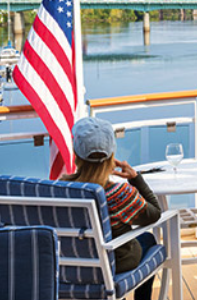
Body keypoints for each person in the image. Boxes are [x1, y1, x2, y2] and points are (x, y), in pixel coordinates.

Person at [61, 117, 161, 300]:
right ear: (111, 155)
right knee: (148, 238)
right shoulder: (119, 194)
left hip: (72, 266)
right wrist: (135, 178)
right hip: (112, 264)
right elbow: (154, 213)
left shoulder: (61, 187)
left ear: (76, 153)